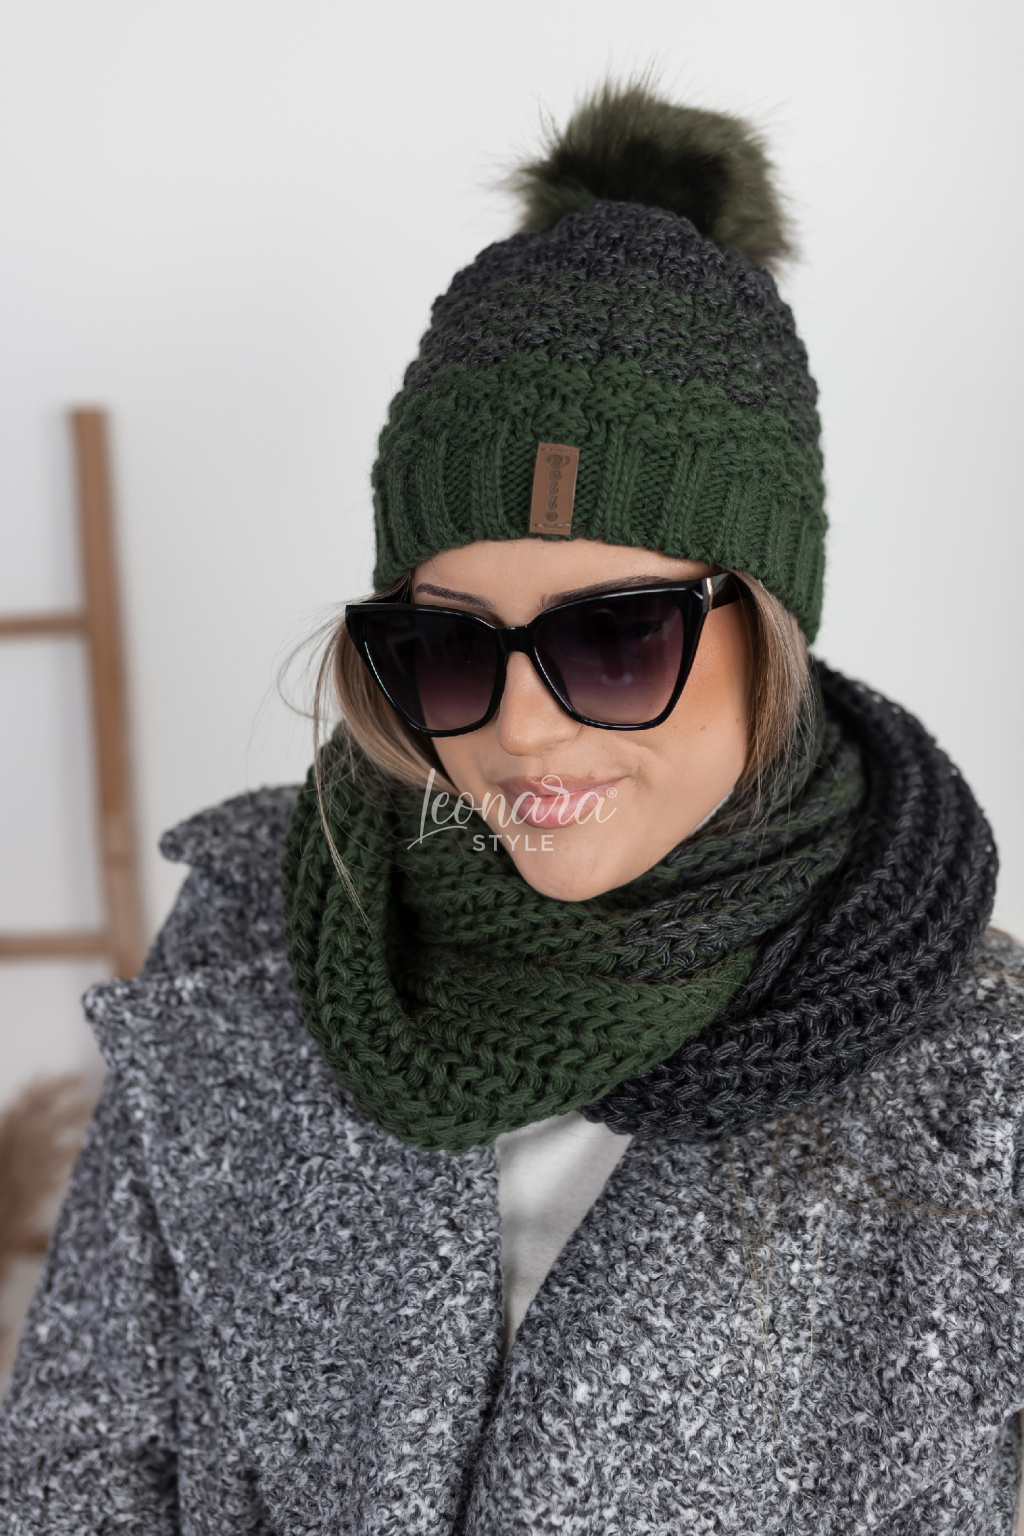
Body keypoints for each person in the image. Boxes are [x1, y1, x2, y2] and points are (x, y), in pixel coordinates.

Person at [2, 80, 1022, 1536]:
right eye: (449, 647)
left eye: (617, 637)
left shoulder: (981, 1081)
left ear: (773, 632)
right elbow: (79, 1467)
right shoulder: (258, 944)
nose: (522, 726)